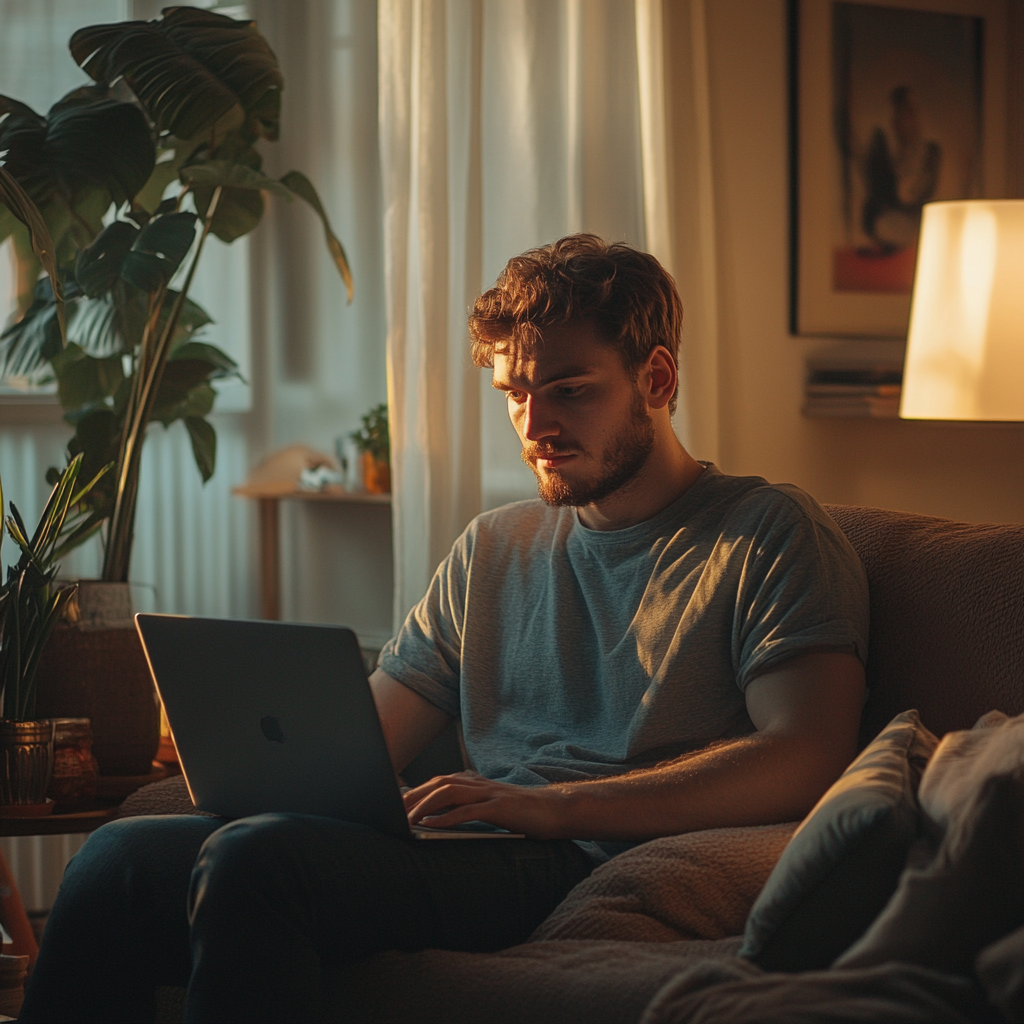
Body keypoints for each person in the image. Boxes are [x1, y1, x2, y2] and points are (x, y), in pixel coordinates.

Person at [21, 235, 868, 1024]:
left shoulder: (770, 531)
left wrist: (548, 806)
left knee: (258, 864)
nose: (535, 427)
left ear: (657, 377)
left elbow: (807, 752)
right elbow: (368, 741)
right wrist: (261, 761)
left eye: (569, 390)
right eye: (515, 394)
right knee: (115, 858)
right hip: (471, 842)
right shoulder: (494, 545)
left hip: (580, 852)